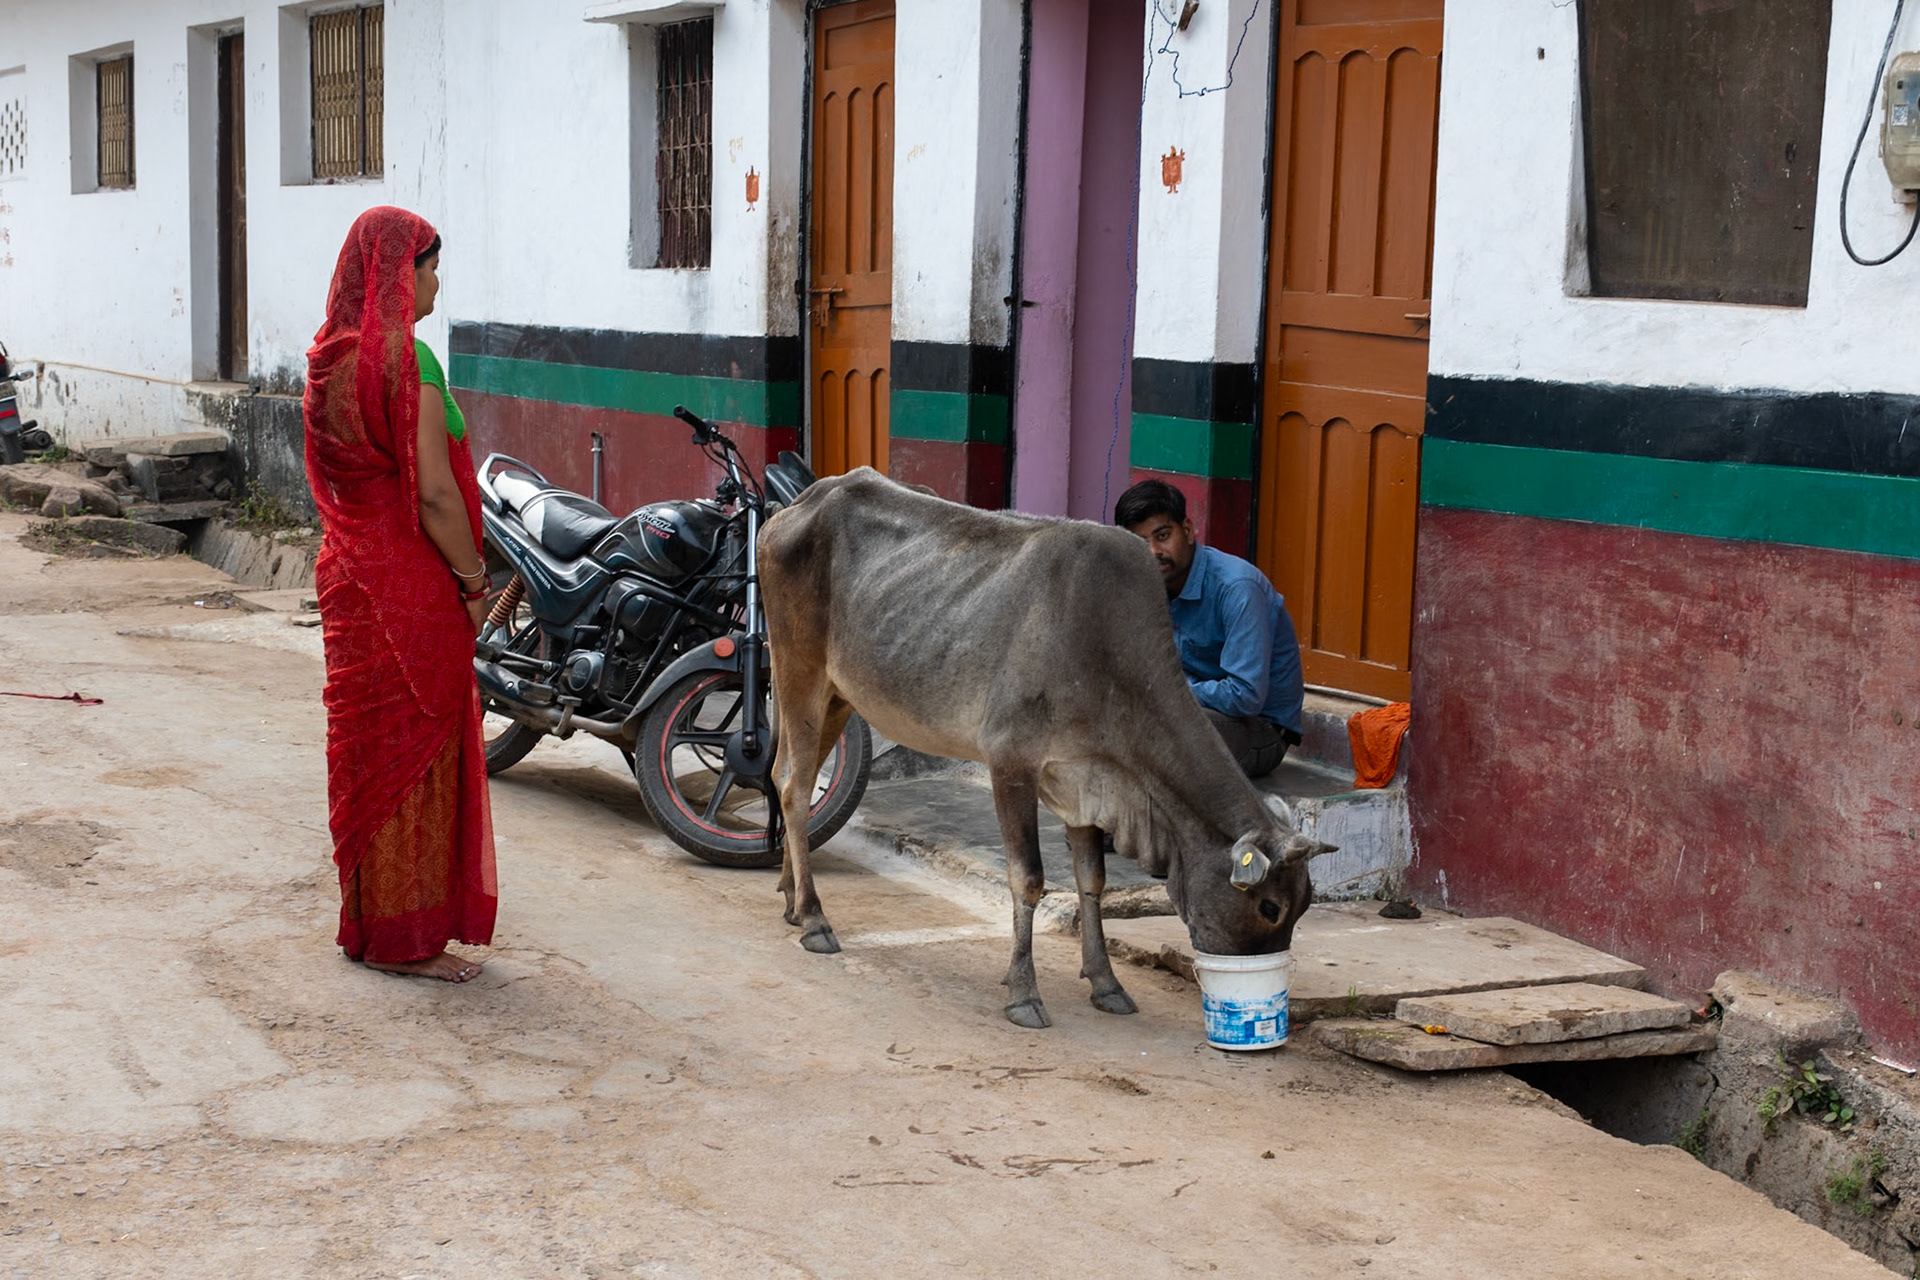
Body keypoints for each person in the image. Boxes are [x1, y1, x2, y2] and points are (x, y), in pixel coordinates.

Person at [304, 205, 498, 983]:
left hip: (349, 572)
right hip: (408, 582)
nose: (435, 283)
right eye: (427, 267)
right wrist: (476, 582)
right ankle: (405, 938)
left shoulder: (327, 359)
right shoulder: (406, 361)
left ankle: (368, 924)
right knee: (418, 754)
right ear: (396, 273)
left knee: (366, 753)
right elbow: (435, 497)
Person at [1114, 479, 1304, 778]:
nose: (1153, 551)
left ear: (1187, 531)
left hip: (1259, 730)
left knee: (1156, 734)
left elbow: (1245, 695)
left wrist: (1165, 691)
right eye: (1140, 543)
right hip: (1189, 713)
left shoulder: (1236, 587)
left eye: (1163, 536)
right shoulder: (1145, 587)